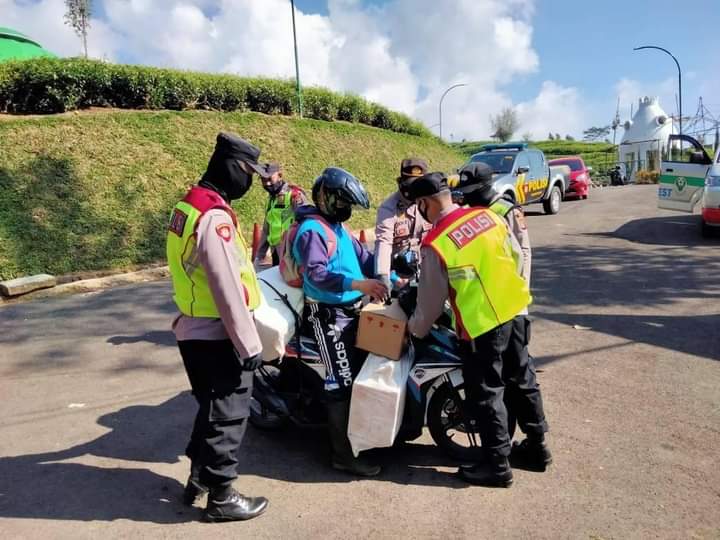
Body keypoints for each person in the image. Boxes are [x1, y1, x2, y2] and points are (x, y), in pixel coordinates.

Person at [405, 171, 548, 488]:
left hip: (482, 325)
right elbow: (514, 256)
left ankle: (497, 466)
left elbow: (429, 305)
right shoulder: (488, 217)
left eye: (419, 207)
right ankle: (538, 449)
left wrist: (413, 329)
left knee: (486, 395)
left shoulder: (436, 242)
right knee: (522, 380)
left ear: (426, 203)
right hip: (515, 310)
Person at [166, 132, 269, 522]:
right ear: (232, 167)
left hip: (192, 329)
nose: (251, 182)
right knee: (228, 415)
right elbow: (226, 287)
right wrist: (249, 345)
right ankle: (222, 496)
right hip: (218, 333)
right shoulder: (214, 217)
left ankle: (199, 479)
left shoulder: (187, 206)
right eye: (248, 173)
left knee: (210, 410)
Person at [452, 162, 551, 474]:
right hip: (506, 307)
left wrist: (517, 292)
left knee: (498, 383)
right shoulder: (474, 213)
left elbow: (523, 252)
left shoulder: (504, 209)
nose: (467, 200)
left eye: (472, 194)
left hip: (507, 308)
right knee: (520, 378)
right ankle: (535, 448)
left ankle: (516, 453)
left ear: (487, 187)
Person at [291, 167, 389, 476]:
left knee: (361, 372)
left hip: (353, 310)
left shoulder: (338, 228)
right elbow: (317, 273)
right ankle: (343, 456)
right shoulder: (312, 231)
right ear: (328, 198)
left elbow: (365, 259)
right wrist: (360, 285)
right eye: (343, 203)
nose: (347, 210)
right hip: (327, 315)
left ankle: (361, 436)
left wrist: (392, 273)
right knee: (340, 382)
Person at [374, 158, 432, 290]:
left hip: (424, 269)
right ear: (401, 183)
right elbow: (384, 242)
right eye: (411, 186)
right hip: (397, 274)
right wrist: (383, 276)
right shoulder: (388, 209)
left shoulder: (428, 203)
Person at [254, 162, 308, 267]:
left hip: (290, 253)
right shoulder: (271, 199)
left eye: (270, 179)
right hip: (275, 251)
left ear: (280, 176)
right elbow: (267, 228)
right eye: (263, 180)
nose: (267, 184)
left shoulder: (294, 195)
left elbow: (306, 222)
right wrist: (259, 255)